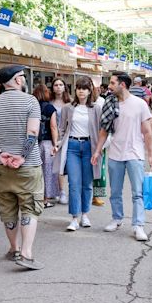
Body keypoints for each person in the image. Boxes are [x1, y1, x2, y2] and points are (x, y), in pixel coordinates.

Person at [0, 64, 44, 270]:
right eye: (23, 77)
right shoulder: (31, 101)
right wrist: (22, 157)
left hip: (1, 166)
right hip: (28, 166)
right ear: (18, 80)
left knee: (8, 209)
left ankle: (14, 248)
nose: (24, 80)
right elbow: (32, 133)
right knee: (29, 207)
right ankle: (26, 254)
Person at [92, 72, 152, 242]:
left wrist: (150, 154)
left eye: (113, 83)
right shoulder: (109, 104)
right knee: (115, 192)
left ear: (123, 85)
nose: (110, 86)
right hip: (115, 153)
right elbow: (104, 130)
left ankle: (138, 225)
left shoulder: (140, 104)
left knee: (138, 192)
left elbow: (147, 132)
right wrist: (98, 151)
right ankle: (117, 218)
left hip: (135, 153)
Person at [55, 76, 102, 231]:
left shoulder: (96, 108)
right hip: (72, 146)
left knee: (87, 183)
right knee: (74, 183)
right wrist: (58, 143)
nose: (81, 91)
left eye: (85, 88)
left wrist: (99, 148)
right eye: (79, 88)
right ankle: (74, 218)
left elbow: (102, 130)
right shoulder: (68, 108)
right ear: (75, 90)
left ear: (90, 91)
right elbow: (61, 128)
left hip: (89, 146)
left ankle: (85, 215)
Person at [33, 84, 58, 208]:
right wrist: (55, 144)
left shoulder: (32, 106)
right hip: (47, 143)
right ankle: (45, 199)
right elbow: (53, 127)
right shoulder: (50, 108)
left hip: (33, 143)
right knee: (47, 172)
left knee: (36, 171)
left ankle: (35, 197)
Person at [49, 78, 72, 204]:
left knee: (66, 164)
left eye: (61, 84)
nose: (58, 87)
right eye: (56, 85)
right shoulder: (49, 102)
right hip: (53, 136)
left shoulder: (71, 102)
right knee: (56, 165)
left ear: (65, 87)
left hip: (68, 136)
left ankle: (64, 191)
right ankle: (60, 191)